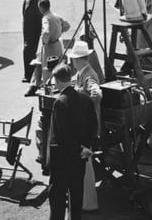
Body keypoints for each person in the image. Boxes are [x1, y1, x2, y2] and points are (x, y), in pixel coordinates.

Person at [48, 64, 98, 220]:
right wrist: (86, 147)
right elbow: (93, 126)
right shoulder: (86, 99)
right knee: (76, 194)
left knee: (57, 196)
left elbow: (61, 134)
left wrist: (78, 148)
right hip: (80, 158)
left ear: (57, 80)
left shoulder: (60, 102)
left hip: (62, 159)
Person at [67, 41, 102, 211]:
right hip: (85, 126)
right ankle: (85, 201)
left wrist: (83, 106)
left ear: (79, 59)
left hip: (86, 128)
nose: (72, 62)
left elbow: (96, 93)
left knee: (85, 166)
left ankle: (89, 204)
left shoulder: (88, 75)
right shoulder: (83, 73)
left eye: (74, 59)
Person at [38, 0, 70, 82]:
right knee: (59, 68)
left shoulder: (46, 18)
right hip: (58, 45)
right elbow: (67, 25)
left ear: (41, 8)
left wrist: (44, 42)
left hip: (50, 46)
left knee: (48, 70)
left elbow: (46, 32)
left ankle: (49, 87)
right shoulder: (56, 15)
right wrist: (59, 31)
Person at [22, 0, 42, 83]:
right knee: (27, 54)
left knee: (28, 53)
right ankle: (28, 75)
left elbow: (39, 21)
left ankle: (29, 76)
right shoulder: (26, 0)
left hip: (33, 34)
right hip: (27, 32)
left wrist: (38, 35)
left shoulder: (36, 3)